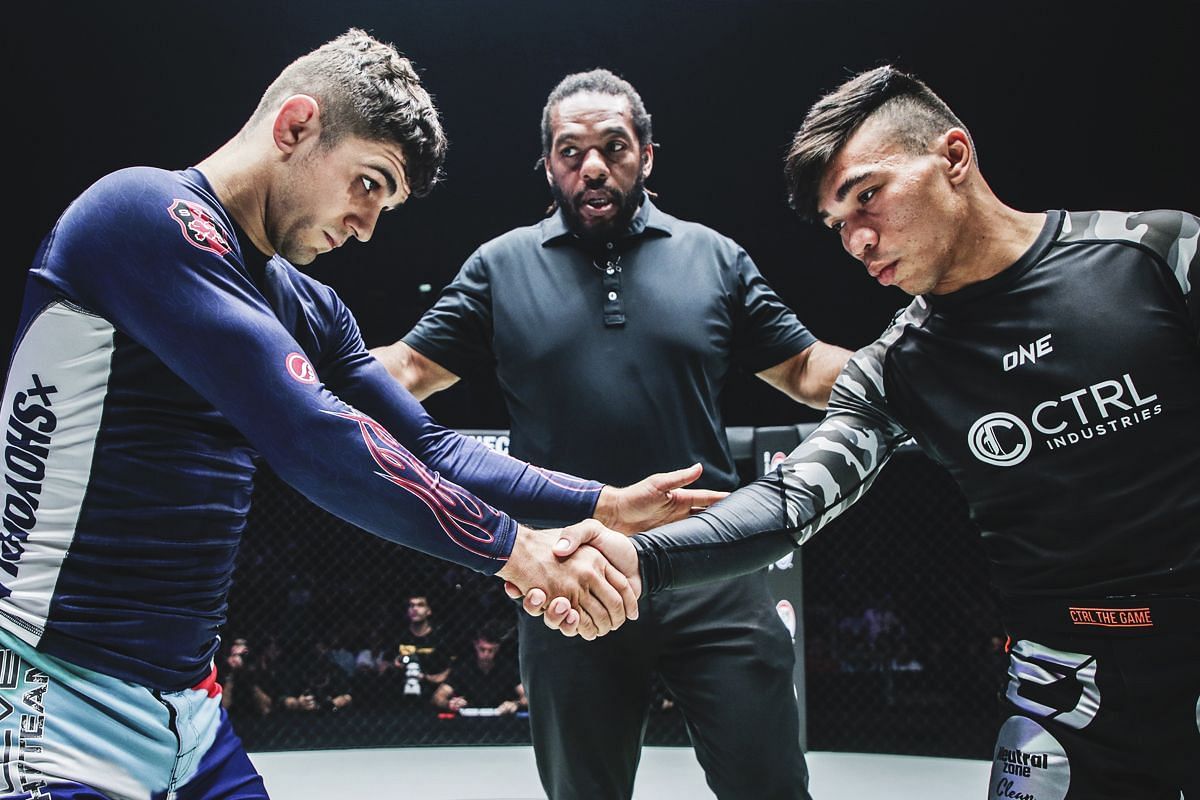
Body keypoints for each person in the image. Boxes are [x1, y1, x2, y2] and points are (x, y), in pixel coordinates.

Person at [0, 30, 714, 799]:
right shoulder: (139, 215)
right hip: (50, 693)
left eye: (388, 201)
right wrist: (520, 553)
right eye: (369, 183)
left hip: (190, 715)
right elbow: (315, 438)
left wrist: (602, 502)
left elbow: (432, 447)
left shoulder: (309, 306)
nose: (369, 224)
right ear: (296, 125)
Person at [538, 65, 1198, 799]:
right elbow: (790, 502)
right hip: (1062, 690)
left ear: (953, 157)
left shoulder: (1159, 256)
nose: (855, 239)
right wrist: (634, 556)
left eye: (867, 196)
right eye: (836, 223)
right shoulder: (896, 369)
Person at [372, 68, 851, 800]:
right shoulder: (501, 267)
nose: (592, 165)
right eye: (571, 151)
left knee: (773, 786)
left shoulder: (713, 258)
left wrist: (921, 365)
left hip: (712, 570)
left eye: (613, 146)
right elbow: (403, 369)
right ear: (548, 164)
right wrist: (271, 364)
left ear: (647, 154)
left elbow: (809, 369)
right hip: (570, 574)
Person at [431, 621, 525, 716]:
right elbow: (438, 697)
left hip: (502, 718)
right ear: (475, 645)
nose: (486, 654)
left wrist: (515, 704)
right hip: (468, 720)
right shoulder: (464, 668)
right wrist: (450, 704)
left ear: (498, 648)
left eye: (491, 650)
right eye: (482, 649)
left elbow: (528, 697)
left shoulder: (507, 667)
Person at [390, 593, 453, 706]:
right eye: (411, 605)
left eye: (420, 605)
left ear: (428, 610)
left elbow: (451, 669)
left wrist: (427, 677)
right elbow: (385, 663)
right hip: (399, 691)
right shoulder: (398, 635)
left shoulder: (440, 637)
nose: (415, 609)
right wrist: (395, 664)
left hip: (431, 691)